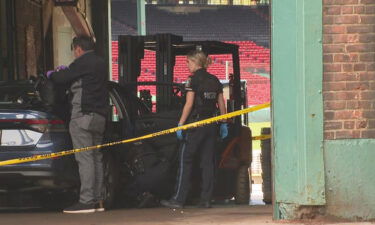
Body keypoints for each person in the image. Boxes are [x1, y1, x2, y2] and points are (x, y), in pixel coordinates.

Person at [47, 36, 109, 213]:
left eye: (74, 50)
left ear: (78, 49)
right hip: (99, 117)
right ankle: (98, 200)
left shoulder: (82, 62)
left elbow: (60, 78)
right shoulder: (101, 63)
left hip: (82, 117)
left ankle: (86, 201)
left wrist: (52, 74)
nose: (74, 53)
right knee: (96, 157)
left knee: (85, 159)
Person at [161, 50, 228, 209]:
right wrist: (224, 123)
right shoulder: (214, 80)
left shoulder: (192, 80)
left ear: (195, 62)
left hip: (195, 127)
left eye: (188, 62)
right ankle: (206, 199)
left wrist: (181, 124)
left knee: (186, 161)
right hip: (211, 126)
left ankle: (178, 199)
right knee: (207, 163)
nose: (187, 65)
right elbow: (221, 104)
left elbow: (189, 104)